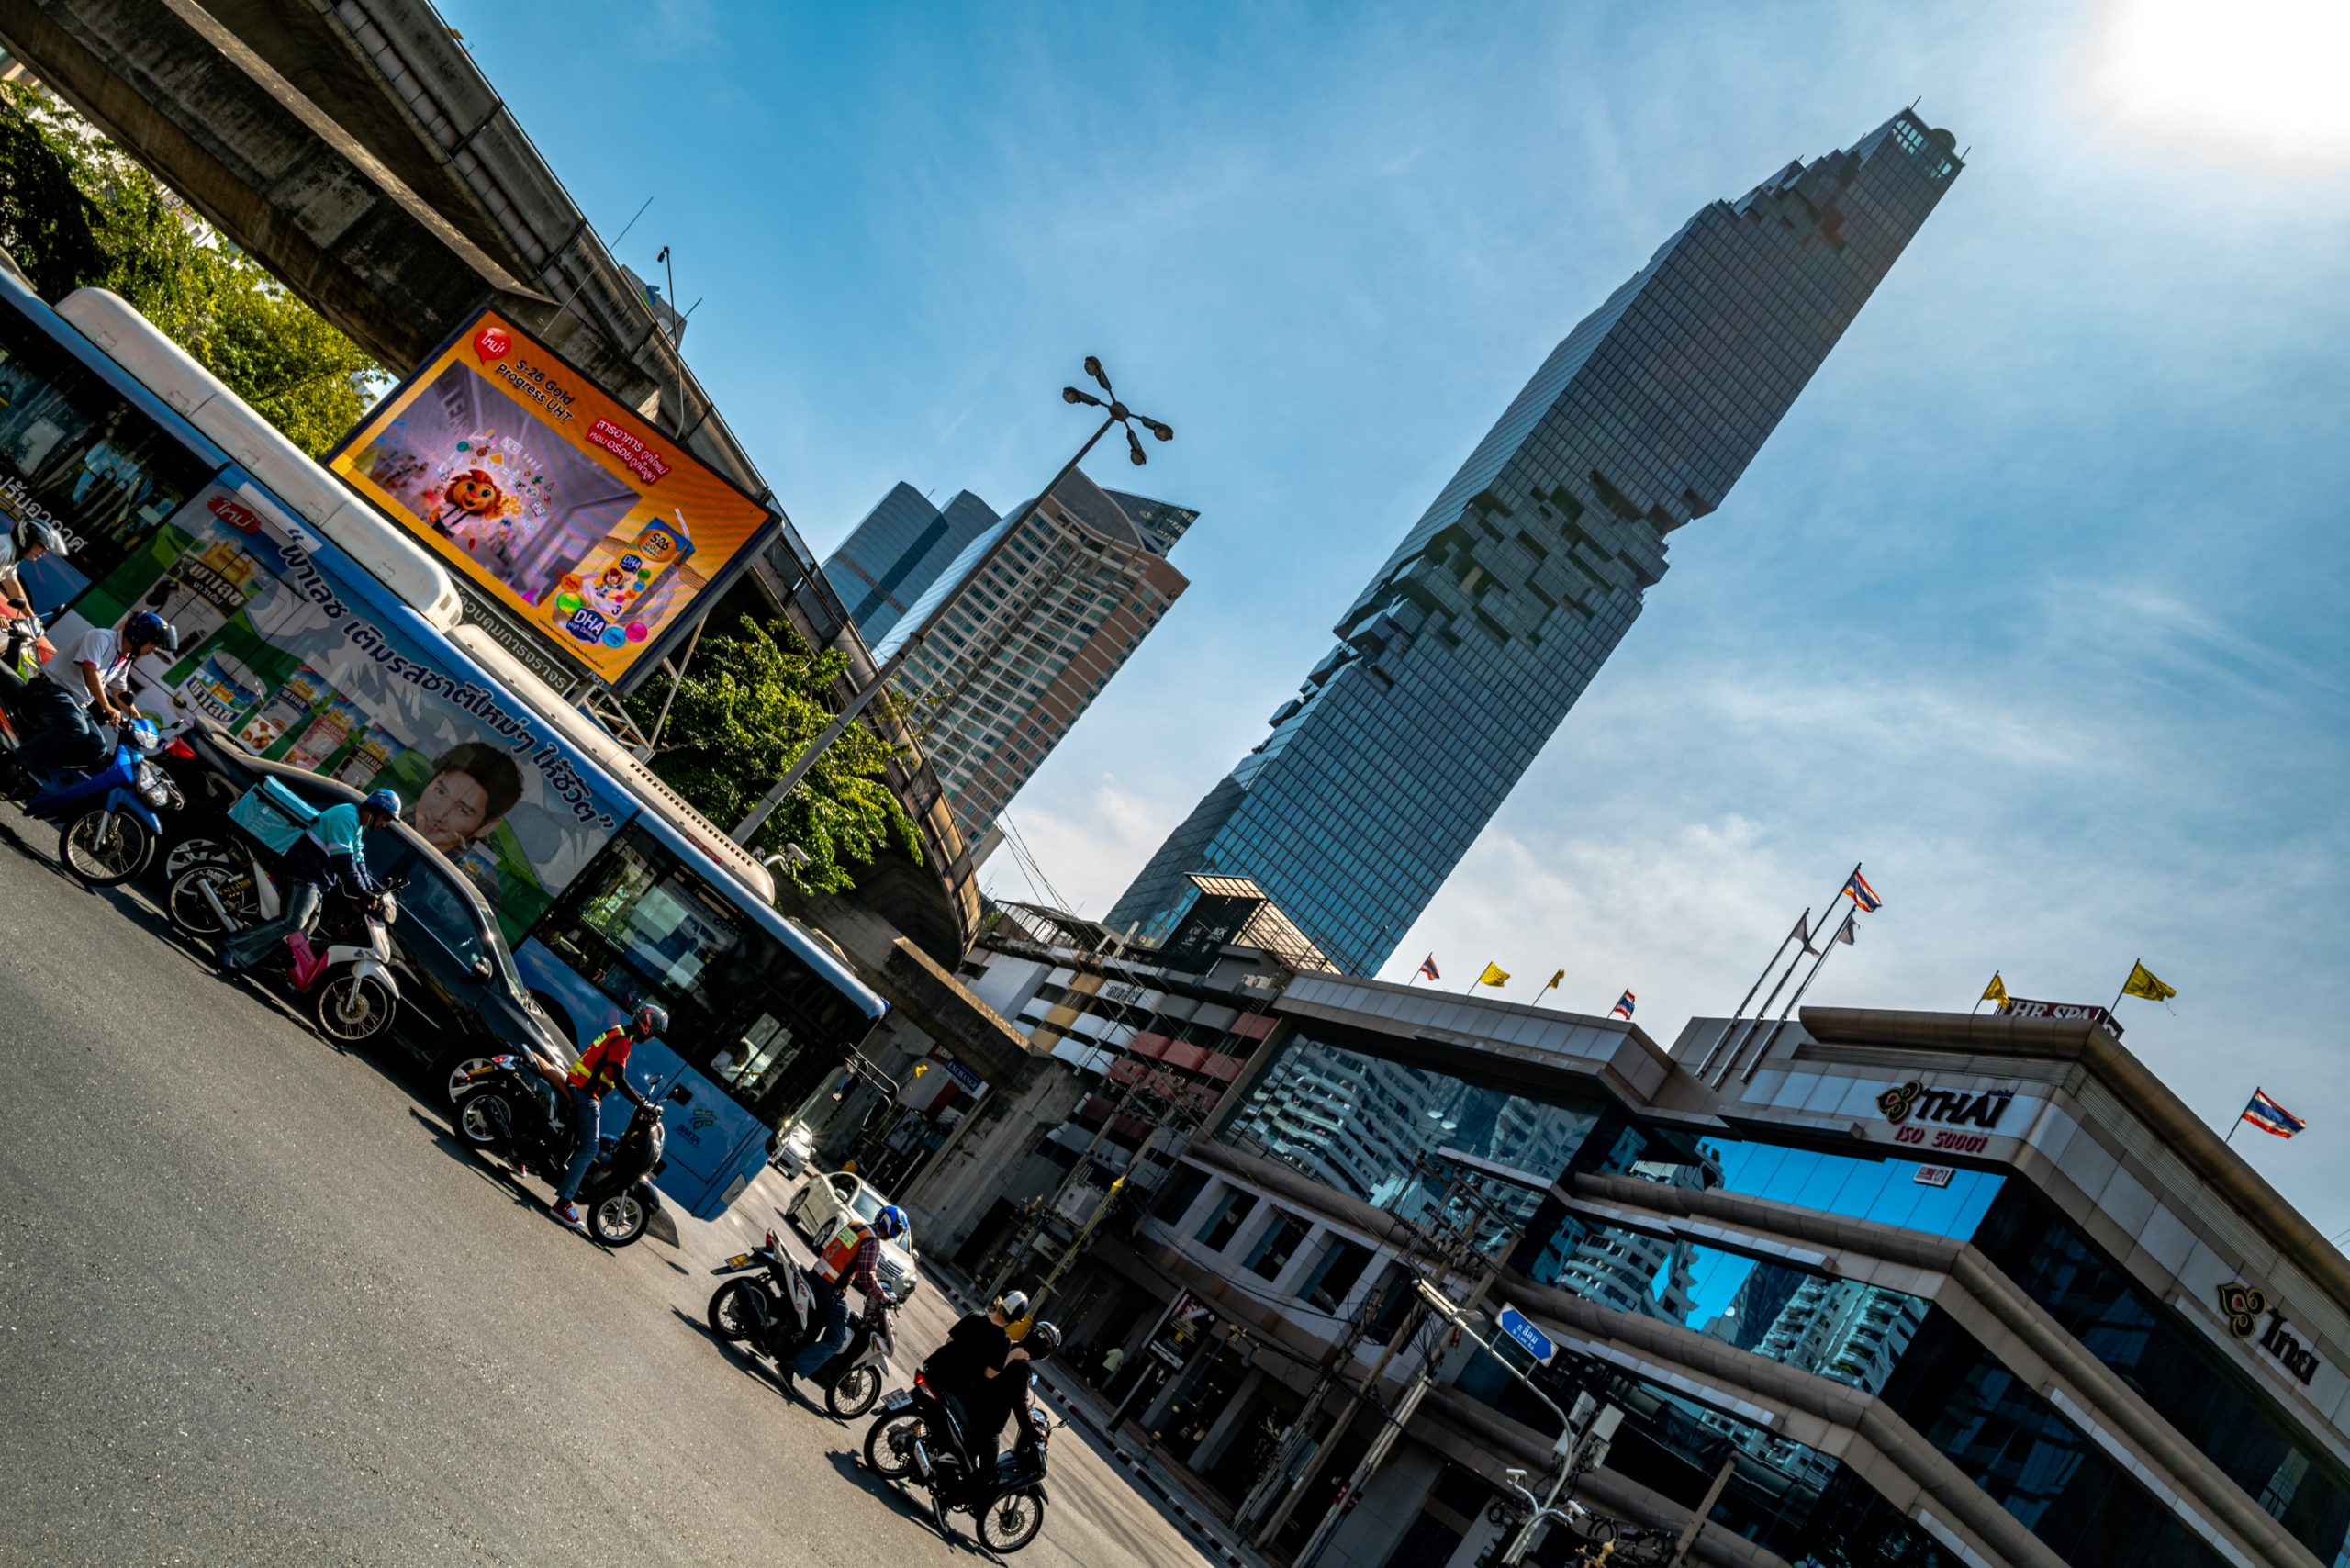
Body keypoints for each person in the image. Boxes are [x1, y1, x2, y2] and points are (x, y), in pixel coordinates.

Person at [221, 787, 399, 973]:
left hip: (318, 881)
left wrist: (371, 891)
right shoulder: (346, 817)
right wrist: (362, 891)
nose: (385, 825)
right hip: (304, 873)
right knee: (294, 922)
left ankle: (259, 959)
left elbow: (359, 860)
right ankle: (231, 947)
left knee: (304, 934)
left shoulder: (357, 824)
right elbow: (344, 861)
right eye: (385, 818)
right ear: (374, 810)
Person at [548, 1003, 666, 1232]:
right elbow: (619, 1080)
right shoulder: (622, 1041)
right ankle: (563, 1203)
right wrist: (641, 1104)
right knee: (591, 1147)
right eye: (654, 1034)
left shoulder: (620, 1032)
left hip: (580, 1086)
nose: (652, 1039)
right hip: (585, 1092)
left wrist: (642, 1100)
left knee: (579, 1138)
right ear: (647, 1027)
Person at [787, 1202, 905, 1389]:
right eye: (897, 1229)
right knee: (835, 1339)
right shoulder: (872, 1241)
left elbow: (843, 1254)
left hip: (817, 1274)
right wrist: (884, 1297)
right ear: (891, 1226)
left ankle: (792, 1356)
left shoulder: (856, 1226)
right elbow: (867, 1276)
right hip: (831, 1288)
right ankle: (791, 1367)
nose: (896, 1234)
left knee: (817, 1323)